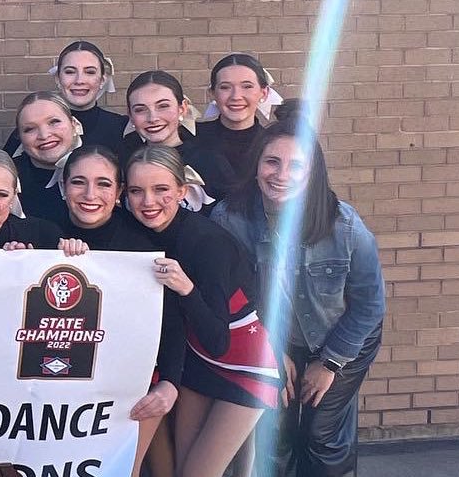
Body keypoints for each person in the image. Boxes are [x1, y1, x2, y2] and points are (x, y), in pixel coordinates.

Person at [210, 105, 383, 477]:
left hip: (342, 338)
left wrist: (331, 363)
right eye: (272, 162)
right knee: (273, 432)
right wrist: (270, 345)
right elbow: (229, 297)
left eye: (296, 166)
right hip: (269, 337)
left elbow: (370, 304)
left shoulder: (344, 225)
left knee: (322, 435)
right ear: (256, 164)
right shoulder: (228, 220)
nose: (281, 175)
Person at [124, 145, 280, 477]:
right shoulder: (135, 232)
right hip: (194, 358)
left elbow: (218, 339)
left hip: (241, 360)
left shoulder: (208, 242)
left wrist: (187, 288)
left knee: (199, 473)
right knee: (181, 468)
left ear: (182, 191)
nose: (148, 201)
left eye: (161, 189)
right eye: (137, 191)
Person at [59, 145, 180, 477]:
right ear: (64, 187)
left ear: (119, 193)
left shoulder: (142, 245)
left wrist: (169, 382)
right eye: (78, 182)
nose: (89, 194)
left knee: (120, 469)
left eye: (103, 184)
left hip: (131, 385)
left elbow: (170, 322)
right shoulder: (44, 235)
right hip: (62, 387)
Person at [125, 71, 237, 209]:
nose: (152, 118)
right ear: (130, 115)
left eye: (163, 106)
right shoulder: (125, 160)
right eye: (140, 109)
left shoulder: (210, 161)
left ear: (182, 108)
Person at [3, 41, 128, 156]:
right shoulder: (33, 129)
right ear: (58, 78)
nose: (79, 80)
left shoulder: (120, 127)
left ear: (102, 80)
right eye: (70, 72)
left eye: (89, 72)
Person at [198, 53, 283, 183]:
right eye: (225, 87)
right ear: (212, 94)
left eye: (247, 86)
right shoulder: (190, 138)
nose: (236, 96)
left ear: (264, 93)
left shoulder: (273, 144)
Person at [9, 91, 85, 225]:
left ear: (73, 124)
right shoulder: (7, 178)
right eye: (30, 129)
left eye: (54, 122)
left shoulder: (98, 169)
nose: (44, 135)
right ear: (20, 137)